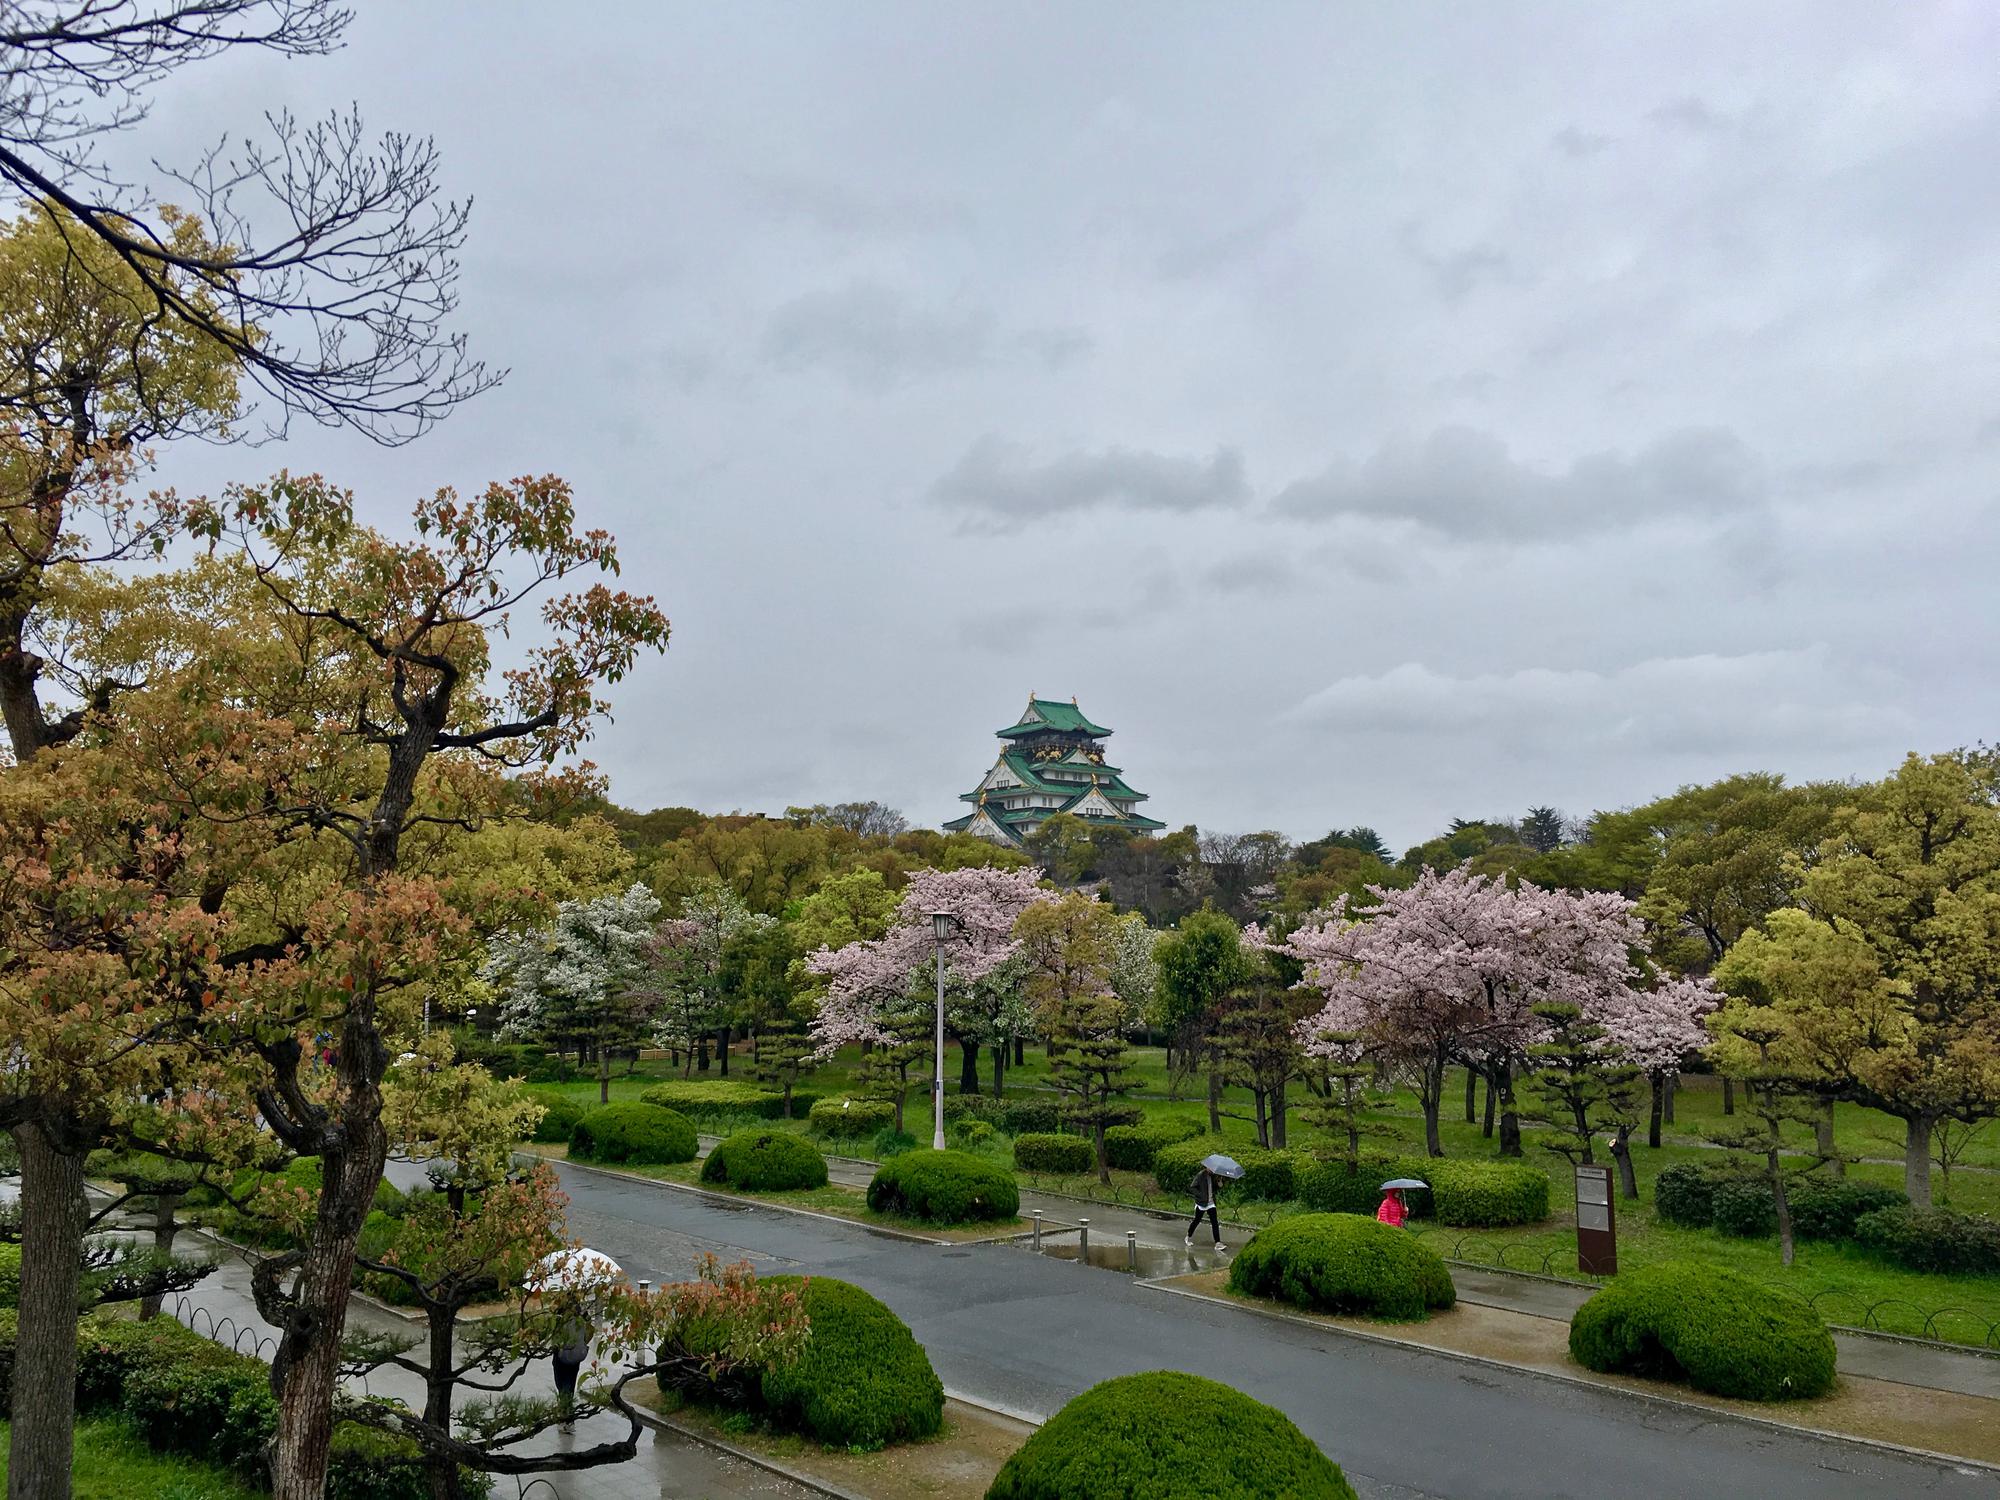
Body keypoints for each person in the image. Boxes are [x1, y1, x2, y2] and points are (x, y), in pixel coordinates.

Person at [551, 1311, 591, 1433]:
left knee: (563, 1385)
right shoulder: (583, 1315)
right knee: (569, 1384)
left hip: (562, 1355)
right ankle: (566, 1415)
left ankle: (566, 1418)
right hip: (575, 1356)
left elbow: (554, 1335)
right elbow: (589, 1333)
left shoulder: (560, 1315)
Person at [1186, 1164, 1224, 1250]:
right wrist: (1200, 1195)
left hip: (1211, 1203)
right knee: (1197, 1220)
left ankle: (1217, 1243)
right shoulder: (1200, 1175)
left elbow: (1214, 1188)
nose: (1212, 1170)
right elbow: (1192, 1187)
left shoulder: (1214, 1176)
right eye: (1210, 1168)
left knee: (1214, 1222)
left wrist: (1219, 1184)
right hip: (1202, 1203)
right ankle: (1188, 1235)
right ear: (1206, 1167)